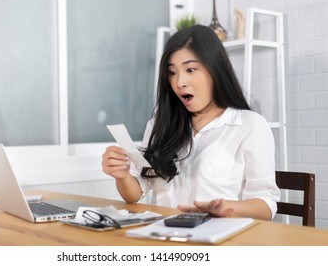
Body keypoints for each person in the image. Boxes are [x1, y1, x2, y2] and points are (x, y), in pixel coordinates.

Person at [102, 24, 280, 220]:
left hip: (220, 239)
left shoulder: (249, 125)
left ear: (215, 70)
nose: (179, 82)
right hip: (165, 237)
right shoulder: (159, 125)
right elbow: (136, 193)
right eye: (172, 72)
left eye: (190, 69)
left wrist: (227, 208)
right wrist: (122, 175)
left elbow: (266, 205)